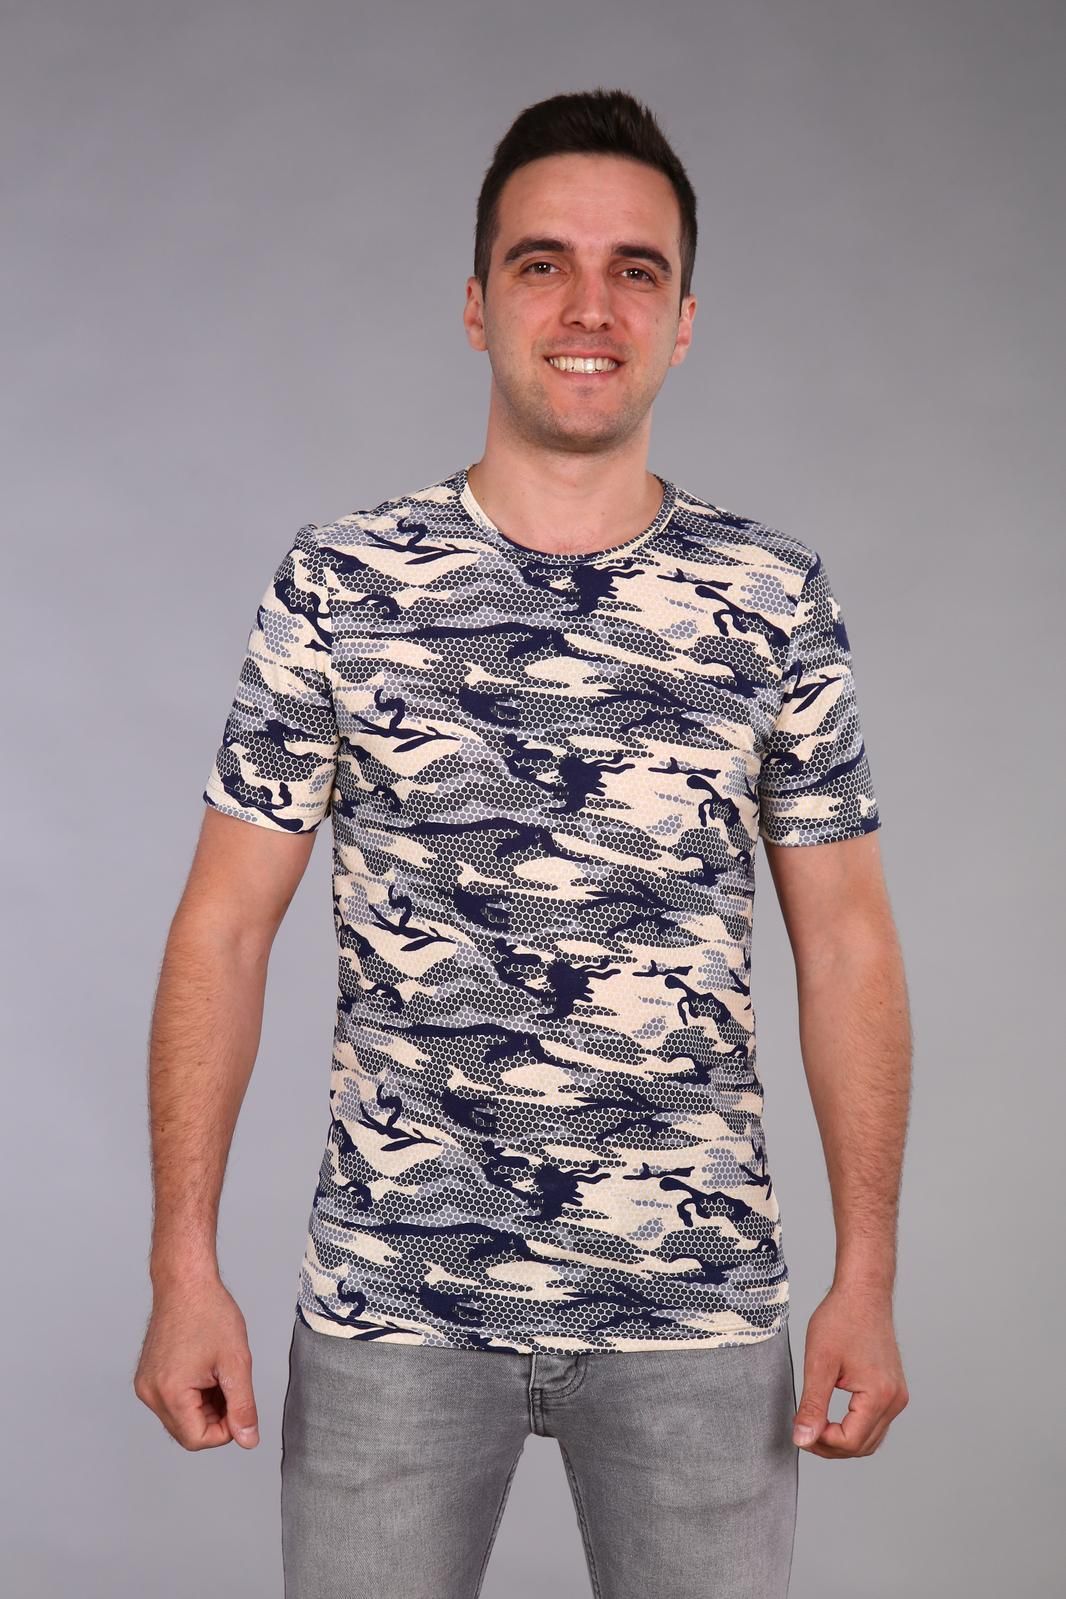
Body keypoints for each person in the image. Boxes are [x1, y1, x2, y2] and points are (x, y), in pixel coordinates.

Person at [134, 86, 911, 1599]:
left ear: (683, 322)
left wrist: (866, 1277)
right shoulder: (342, 582)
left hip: (694, 1313)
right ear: (478, 302)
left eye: (636, 270)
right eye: (542, 262)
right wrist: (182, 1265)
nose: (588, 307)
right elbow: (223, 928)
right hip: (395, 1304)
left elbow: (848, 943)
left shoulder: (770, 598)